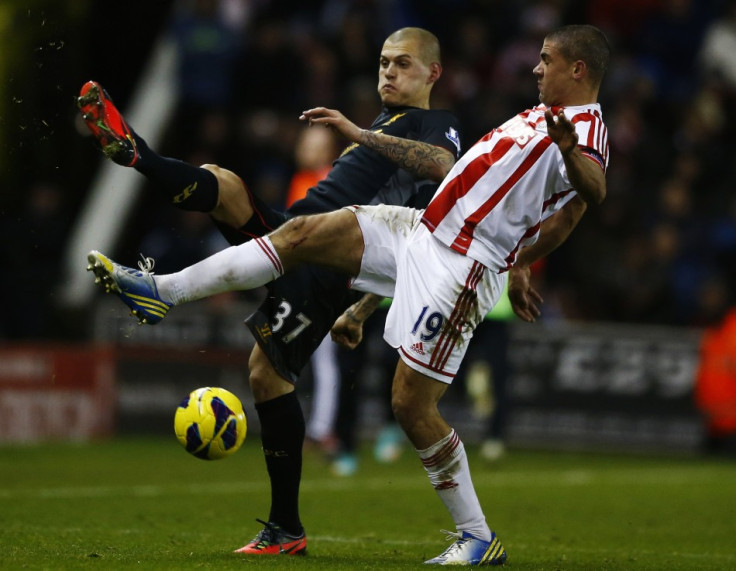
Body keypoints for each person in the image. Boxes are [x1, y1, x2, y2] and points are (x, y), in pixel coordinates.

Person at [86, 24, 609, 566]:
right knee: (298, 233)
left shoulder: (584, 129)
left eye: (546, 59)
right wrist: (518, 261)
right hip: (422, 230)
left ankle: (477, 536)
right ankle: (161, 291)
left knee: (410, 404)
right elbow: (547, 211)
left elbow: (588, 194)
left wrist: (558, 174)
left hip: (461, 263)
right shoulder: (536, 116)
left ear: (578, 69)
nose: (535, 67)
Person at [78, 27, 461, 557]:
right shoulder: (383, 125)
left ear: (433, 74)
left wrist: (361, 300)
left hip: (325, 261)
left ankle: (159, 289)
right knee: (225, 183)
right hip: (293, 236)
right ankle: (137, 154)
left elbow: (435, 191)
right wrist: (363, 309)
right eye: (382, 63)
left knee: (265, 373)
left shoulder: (436, 126)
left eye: (402, 64)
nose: (388, 73)